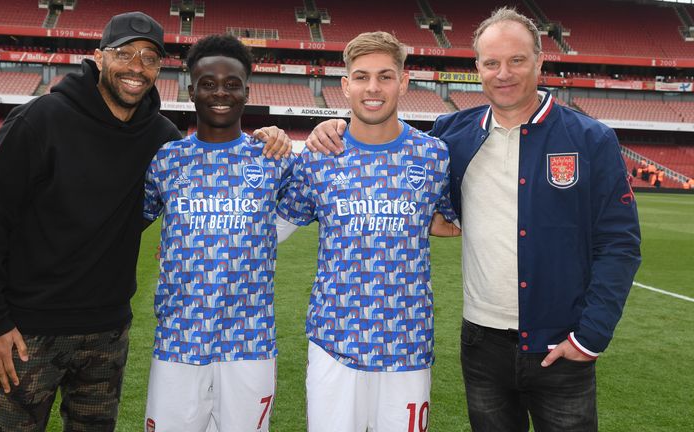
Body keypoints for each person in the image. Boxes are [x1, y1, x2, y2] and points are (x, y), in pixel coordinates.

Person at [306, 8, 641, 432]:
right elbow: (395, 162)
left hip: (560, 340)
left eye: (517, 60)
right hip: (482, 342)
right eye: (491, 62)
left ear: (540, 61)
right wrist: (332, 126)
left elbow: (620, 242)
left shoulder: (591, 139)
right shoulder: (453, 136)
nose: (504, 73)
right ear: (477, 68)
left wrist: (591, 335)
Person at [0, 12, 290, 431]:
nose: (137, 66)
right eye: (124, 53)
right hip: (30, 329)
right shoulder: (39, 120)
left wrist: (272, 136)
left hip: (106, 330)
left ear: (158, 70)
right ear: (99, 57)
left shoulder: (161, 140)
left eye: (149, 57)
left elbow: (198, 176)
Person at [277, 31, 456, 432]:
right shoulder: (319, 156)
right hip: (333, 342)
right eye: (361, 77)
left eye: (385, 76)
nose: (372, 88)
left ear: (404, 82)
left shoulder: (434, 155)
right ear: (345, 85)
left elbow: (453, 222)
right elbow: (277, 224)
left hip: (407, 343)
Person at [142, 34, 295, 432]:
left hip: (250, 341)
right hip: (179, 337)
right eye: (208, 84)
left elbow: (307, 206)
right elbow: (126, 222)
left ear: (247, 90)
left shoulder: (273, 159)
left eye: (232, 84)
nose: (220, 93)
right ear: (191, 90)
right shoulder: (168, 160)